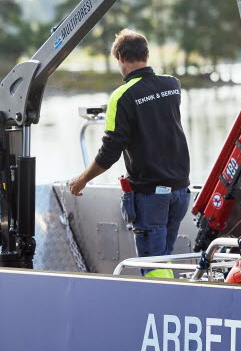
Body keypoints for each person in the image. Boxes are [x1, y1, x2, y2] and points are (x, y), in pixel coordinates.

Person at [68, 29, 191, 274]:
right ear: (146, 54)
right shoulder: (172, 85)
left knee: (153, 269)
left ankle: (158, 308)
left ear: (121, 58)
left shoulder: (121, 97)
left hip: (151, 196)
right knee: (163, 261)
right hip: (180, 192)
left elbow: (110, 151)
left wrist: (81, 180)